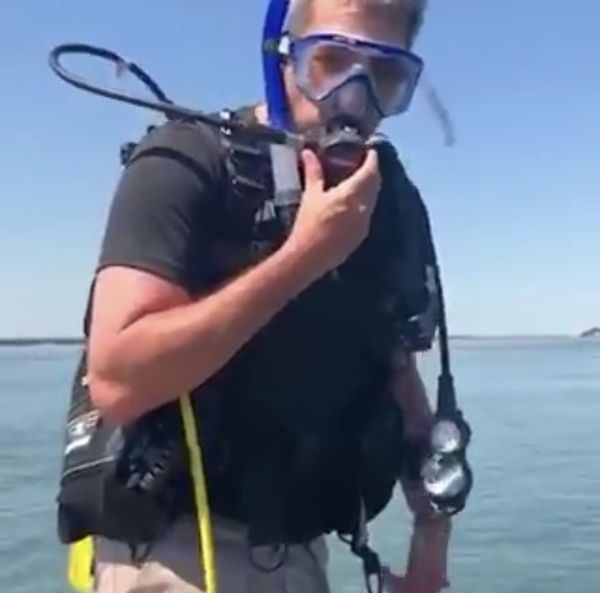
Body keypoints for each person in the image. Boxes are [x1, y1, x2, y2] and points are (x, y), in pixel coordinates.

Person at [64, 0, 455, 592]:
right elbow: (119, 380)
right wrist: (306, 257)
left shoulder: (386, 202)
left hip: (299, 548)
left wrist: (431, 552)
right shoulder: (186, 162)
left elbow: (399, 375)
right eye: (330, 63)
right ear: (282, 60)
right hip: (177, 546)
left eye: (385, 77)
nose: (355, 97)